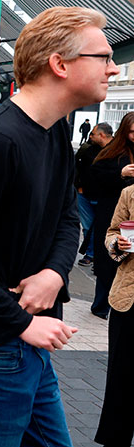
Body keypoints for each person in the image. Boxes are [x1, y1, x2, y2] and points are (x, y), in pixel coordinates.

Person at [0, 6, 117, 447]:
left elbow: (66, 218)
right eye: (103, 57)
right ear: (60, 64)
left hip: (22, 339)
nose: (113, 68)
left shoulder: (55, 132)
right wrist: (20, 322)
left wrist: (55, 273)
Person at [96, 185, 134, 447]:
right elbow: (111, 232)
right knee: (121, 374)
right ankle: (116, 444)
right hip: (128, 298)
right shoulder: (130, 193)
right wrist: (116, 244)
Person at [90, 113, 134, 319]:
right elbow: (94, 179)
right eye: (133, 132)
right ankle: (101, 305)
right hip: (111, 212)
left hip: (130, 214)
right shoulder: (113, 152)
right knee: (108, 260)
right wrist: (121, 174)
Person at [75, 122, 114, 267]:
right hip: (84, 194)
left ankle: (100, 255)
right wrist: (79, 186)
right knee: (87, 226)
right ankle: (90, 254)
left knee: (103, 227)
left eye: (93, 134)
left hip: (104, 196)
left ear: (102, 135)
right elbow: (77, 167)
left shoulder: (117, 150)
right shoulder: (88, 149)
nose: (90, 136)